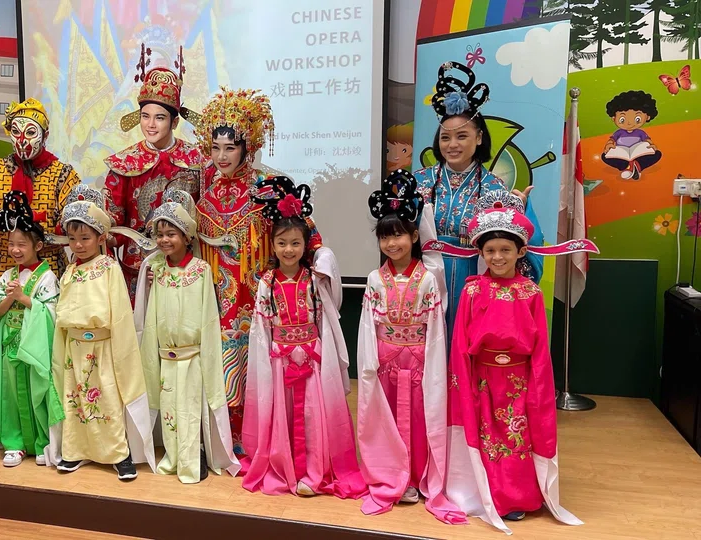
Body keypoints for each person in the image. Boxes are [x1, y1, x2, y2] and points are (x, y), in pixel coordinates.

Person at [432, 191, 596, 533]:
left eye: (505, 250)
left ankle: (517, 497)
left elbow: (540, 350)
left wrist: (538, 386)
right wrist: (462, 384)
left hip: (518, 380)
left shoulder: (531, 292)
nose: (497, 257)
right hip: (483, 379)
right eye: (490, 250)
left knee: (515, 437)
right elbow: (461, 345)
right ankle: (485, 493)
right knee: (486, 437)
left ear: (521, 251)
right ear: (480, 253)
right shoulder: (472, 291)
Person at [194, 88, 327, 454]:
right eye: (215, 148)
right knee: (226, 366)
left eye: (230, 148)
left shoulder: (267, 189)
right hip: (221, 303)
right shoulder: (205, 198)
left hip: (265, 299)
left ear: (247, 147)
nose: (222, 156)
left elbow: (305, 233)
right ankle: (232, 439)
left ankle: (272, 438)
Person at [240, 177, 365, 499]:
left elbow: (328, 314)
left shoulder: (314, 280)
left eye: (296, 243)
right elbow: (261, 328)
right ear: (273, 245)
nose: (289, 250)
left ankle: (314, 469)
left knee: (313, 414)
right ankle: (286, 466)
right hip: (280, 360)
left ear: (305, 245)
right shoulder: (267, 282)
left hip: (312, 357)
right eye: (282, 243)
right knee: (283, 414)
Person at [355, 170, 464, 522]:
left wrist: (432, 364)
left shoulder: (428, 279)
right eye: (385, 237)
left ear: (415, 235)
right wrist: (369, 363)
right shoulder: (375, 279)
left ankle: (416, 475)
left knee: (419, 420)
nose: (392, 243)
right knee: (386, 420)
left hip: (418, 362)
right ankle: (391, 475)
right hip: (386, 362)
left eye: (399, 234)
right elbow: (368, 326)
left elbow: (435, 329)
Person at [414, 62, 542, 342]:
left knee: (469, 340)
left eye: (462, 136)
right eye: (445, 137)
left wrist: (519, 212)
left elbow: (517, 244)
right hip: (425, 277)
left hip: (475, 277)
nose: (452, 145)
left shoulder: (496, 188)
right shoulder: (419, 182)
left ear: (479, 137)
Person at [49, 185, 156, 481]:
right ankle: (74, 450)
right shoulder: (70, 271)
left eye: (85, 238)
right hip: (74, 349)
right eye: (73, 239)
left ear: (100, 237)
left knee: (107, 399)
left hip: (103, 347)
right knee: (75, 400)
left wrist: (122, 352)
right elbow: (62, 313)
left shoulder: (109, 268)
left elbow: (120, 313)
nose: (78, 245)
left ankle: (119, 454)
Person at [133, 190, 240, 484]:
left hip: (191, 356)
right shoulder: (156, 269)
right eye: (160, 234)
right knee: (170, 411)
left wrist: (207, 355)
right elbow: (150, 317)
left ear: (186, 236)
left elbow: (207, 318)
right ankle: (173, 457)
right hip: (166, 357)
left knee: (191, 410)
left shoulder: (200, 271)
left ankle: (192, 460)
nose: (164, 240)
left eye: (171, 234)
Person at [103, 46, 203, 302]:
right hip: (138, 267)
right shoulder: (125, 163)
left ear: (174, 122)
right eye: (145, 116)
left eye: (159, 118)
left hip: (185, 266)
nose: (150, 124)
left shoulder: (197, 160)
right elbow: (113, 218)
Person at [0, 98, 82, 300]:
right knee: (4, 317)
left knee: (47, 315)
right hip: (6, 264)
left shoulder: (63, 174)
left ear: (45, 135)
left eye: (30, 132)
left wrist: (38, 223)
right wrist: (1, 218)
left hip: (49, 264)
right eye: (16, 132)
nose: (22, 140)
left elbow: (74, 218)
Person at [0, 191, 65, 468]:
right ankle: (14, 444)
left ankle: (41, 442)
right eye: (11, 244)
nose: (15, 250)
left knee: (36, 390)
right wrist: (9, 298)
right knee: (10, 395)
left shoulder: (48, 277)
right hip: (9, 343)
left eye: (22, 244)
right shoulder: (7, 276)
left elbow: (52, 312)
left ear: (38, 246)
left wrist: (24, 298)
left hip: (34, 344)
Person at [601, 90, 662, 181]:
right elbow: (612, 140)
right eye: (622, 119)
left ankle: (635, 165)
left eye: (637, 119)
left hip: (638, 154)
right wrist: (609, 145)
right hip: (621, 155)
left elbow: (647, 140)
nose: (629, 123)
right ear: (614, 118)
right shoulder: (619, 133)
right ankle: (629, 166)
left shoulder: (640, 133)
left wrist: (651, 145)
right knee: (604, 156)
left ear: (647, 117)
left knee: (657, 154)